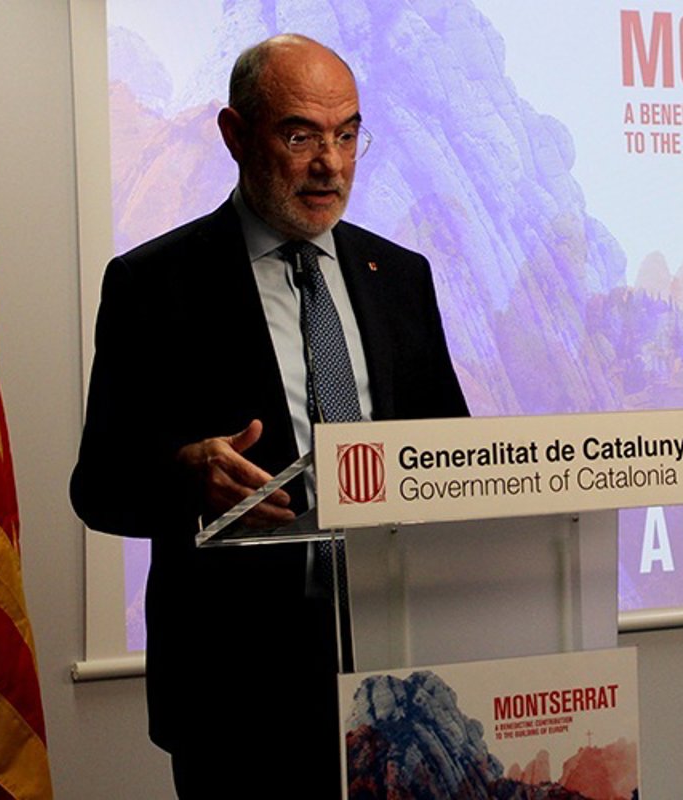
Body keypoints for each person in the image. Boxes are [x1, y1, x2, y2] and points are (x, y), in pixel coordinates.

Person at [70, 34, 468, 798]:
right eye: (300, 137)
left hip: (401, 670)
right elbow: (100, 487)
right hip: (239, 694)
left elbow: (448, 455)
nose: (331, 165)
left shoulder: (399, 277)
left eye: (346, 135)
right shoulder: (154, 284)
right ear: (235, 134)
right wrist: (187, 476)